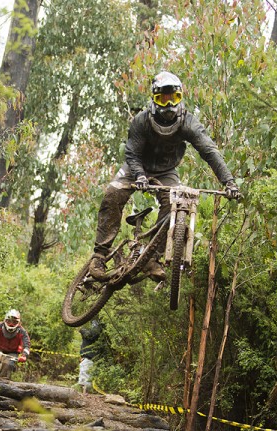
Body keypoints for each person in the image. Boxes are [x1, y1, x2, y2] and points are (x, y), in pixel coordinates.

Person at [89, 71, 240, 280]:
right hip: (136, 166)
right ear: (154, 98)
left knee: (175, 205)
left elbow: (210, 151)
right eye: (163, 99)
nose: (169, 105)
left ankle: (151, 257)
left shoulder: (188, 122)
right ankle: (99, 255)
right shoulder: (141, 121)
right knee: (112, 193)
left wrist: (229, 182)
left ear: (180, 98)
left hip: (167, 170)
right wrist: (140, 175)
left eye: (174, 98)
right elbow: (132, 153)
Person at [77, 318, 103, 393]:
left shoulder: (96, 326)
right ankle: (85, 394)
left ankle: (85, 396)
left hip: (89, 358)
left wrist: (82, 330)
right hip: (88, 358)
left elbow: (91, 335)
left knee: (85, 379)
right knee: (84, 378)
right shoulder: (94, 326)